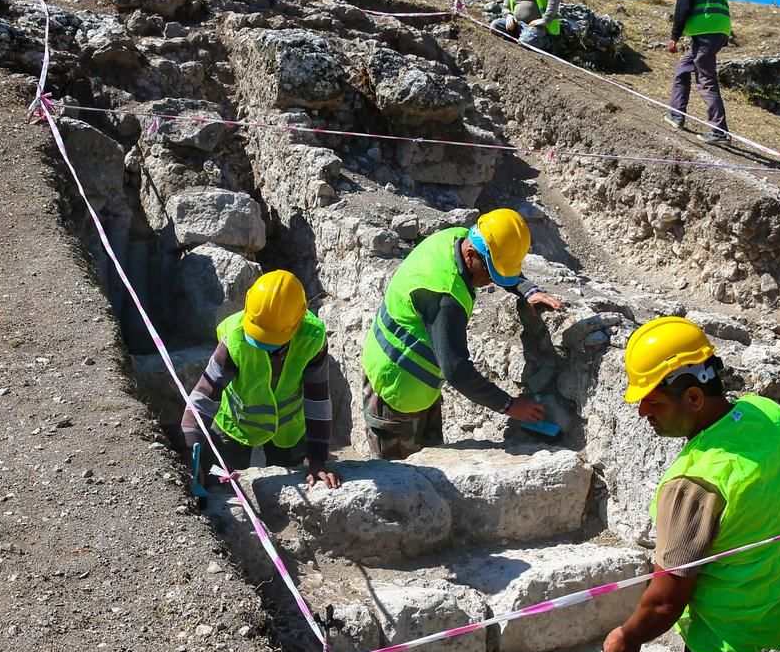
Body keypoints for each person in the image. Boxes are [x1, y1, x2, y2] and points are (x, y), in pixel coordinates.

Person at [601, 316, 780, 652]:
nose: (643, 412)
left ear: (693, 397)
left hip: (728, 651)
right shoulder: (765, 413)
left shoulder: (693, 483)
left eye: (653, 402)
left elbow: (664, 605)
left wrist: (628, 637)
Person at [360, 208, 565, 460]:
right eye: (491, 273)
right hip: (396, 389)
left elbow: (496, 260)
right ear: (470, 256)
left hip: (420, 384)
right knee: (400, 483)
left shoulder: (457, 237)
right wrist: (511, 406)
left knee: (432, 465)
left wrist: (525, 288)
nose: (493, 281)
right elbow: (456, 370)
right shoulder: (445, 296)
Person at [181, 270, 342, 495]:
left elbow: (317, 399)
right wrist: (191, 452)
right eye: (257, 339)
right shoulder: (236, 338)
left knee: (287, 489)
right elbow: (204, 395)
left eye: (272, 341)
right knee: (223, 488)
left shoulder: (311, 339)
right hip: (235, 427)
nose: (263, 346)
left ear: (297, 323)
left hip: (288, 431)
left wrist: (317, 460)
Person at [664, 0, 732, 143]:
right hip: (717, 33)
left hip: (705, 34)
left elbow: (683, 5)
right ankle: (676, 114)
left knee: (705, 80)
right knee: (684, 69)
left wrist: (675, 35)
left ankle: (719, 131)